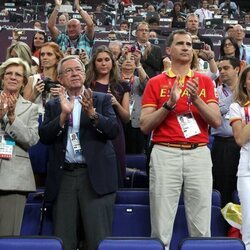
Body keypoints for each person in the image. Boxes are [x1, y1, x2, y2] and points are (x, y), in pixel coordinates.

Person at [140, 29, 221, 250]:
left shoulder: (204, 82)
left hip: (199, 153)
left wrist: (196, 100)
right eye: (180, 44)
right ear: (169, 49)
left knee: (201, 224)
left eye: (188, 44)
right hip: (165, 153)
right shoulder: (155, 83)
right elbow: (145, 125)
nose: (186, 47)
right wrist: (168, 105)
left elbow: (216, 121)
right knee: (161, 224)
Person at [39, 55, 119, 250]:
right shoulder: (53, 105)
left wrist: (92, 114)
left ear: (85, 75)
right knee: (64, 239)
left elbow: (113, 131)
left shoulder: (101, 99)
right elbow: (45, 137)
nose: (74, 73)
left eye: (78, 70)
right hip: (64, 176)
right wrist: (63, 116)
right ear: (60, 79)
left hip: (95, 177)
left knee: (97, 239)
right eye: (69, 71)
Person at [0, 57, 39, 236]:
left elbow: (31, 139)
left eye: (18, 75)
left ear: (24, 81)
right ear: (2, 78)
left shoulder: (31, 108)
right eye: (9, 73)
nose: (13, 77)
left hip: (15, 178)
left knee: (8, 235)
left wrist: (13, 119)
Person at [85, 45, 130, 185]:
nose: (103, 63)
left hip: (115, 133)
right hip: (91, 132)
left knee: (115, 174)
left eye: (106, 60)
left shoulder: (121, 85)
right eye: (99, 60)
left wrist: (116, 103)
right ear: (94, 63)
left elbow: (126, 118)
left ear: (112, 62)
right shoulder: (87, 85)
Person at [211, 56, 241, 207]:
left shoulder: (247, 92)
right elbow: (216, 112)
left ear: (237, 69)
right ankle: (224, 226)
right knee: (223, 188)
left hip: (244, 145)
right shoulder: (214, 91)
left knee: (241, 188)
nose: (222, 71)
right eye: (220, 69)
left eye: (226, 68)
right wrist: (235, 97)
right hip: (222, 145)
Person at [229, 66, 250, 250]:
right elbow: (241, 139)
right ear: (245, 83)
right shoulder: (237, 107)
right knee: (249, 225)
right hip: (247, 171)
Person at [120, 46, 148, 154]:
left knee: (135, 153)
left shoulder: (138, 80)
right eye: (125, 59)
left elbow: (147, 84)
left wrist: (138, 64)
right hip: (120, 121)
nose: (128, 61)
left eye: (131, 59)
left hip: (136, 123)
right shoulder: (115, 80)